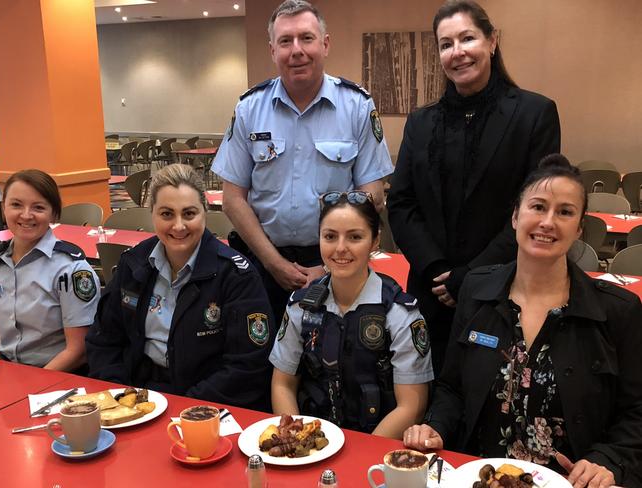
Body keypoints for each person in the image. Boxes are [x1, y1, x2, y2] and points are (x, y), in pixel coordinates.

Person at [403, 155, 642, 487]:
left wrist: (607, 461)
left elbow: (635, 414)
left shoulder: (619, 310)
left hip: (569, 482)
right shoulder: (476, 290)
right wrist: (436, 427)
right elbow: (452, 387)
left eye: (565, 212)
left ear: (579, 229)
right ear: (515, 216)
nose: (548, 221)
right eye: (538, 207)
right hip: (480, 477)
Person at [387, 0, 561, 373]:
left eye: (467, 38)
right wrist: (437, 269)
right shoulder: (420, 123)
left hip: (502, 287)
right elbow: (401, 203)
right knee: (427, 401)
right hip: (430, 291)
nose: (457, 52)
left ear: (492, 41)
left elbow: (534, 208)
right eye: (446, 44)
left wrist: (474, 274)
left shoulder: (535, 114)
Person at [211, 0, 393, 325]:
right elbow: (232, 199)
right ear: (272, 50)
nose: (297, 50)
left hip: (338, 266)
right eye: (285, 41)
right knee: (260, 361)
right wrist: (274, 263)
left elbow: (372, 197)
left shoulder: (357, 107)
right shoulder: (249, 109)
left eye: (306, 38)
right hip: (262, 264)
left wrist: (328, 265)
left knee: (332, 362)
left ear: (325, 44)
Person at [86, 164, 275, 411]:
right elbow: (104, 340)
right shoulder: (133, 264)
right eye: (166, 214)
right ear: (151, 213)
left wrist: (184, 407)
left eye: (189, 214)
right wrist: (119, 396)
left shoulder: (237, 276)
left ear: (204, 213)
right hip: (138, 399)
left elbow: (247, 366)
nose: (178, 226)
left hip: (206, 403)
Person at [270, 191, 433, 439]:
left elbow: (411, 407)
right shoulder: (300, 306)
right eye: (330, 236)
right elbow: (283, 384)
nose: (340, 248)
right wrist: (295, 442)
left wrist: (362, 457)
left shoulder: (400, 313)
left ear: (375, 240)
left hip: (377, 450)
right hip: (312, 443)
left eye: (355, 237)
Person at [0, 169, 99, 371]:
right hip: (8, 371)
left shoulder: (71, 270)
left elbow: (78, 351)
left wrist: (30, 385)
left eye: (38, 207)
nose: (26, 215)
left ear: (53, 213)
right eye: (16, 205)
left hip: (55, 376)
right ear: (4, 208)